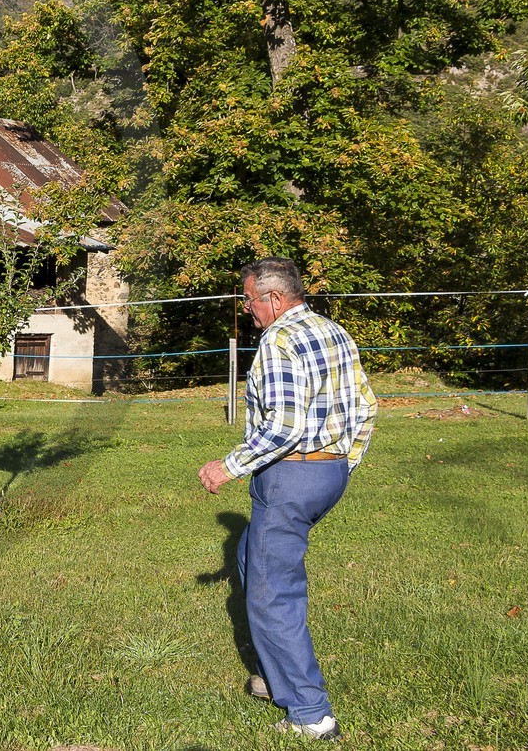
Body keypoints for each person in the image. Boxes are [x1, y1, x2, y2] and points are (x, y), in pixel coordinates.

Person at [199, 257, 376, 741]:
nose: (248, 309)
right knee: (248, 553)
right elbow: (366, 405)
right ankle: (272, 672)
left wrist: (227, 467)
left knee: (273, 594)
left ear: (274, 299)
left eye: (251, 300)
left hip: (292, 476)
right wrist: (340, 463)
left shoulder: (278, 340)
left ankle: (310, 714)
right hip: (328, 474)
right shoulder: (332, 330)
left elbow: (283, 428)